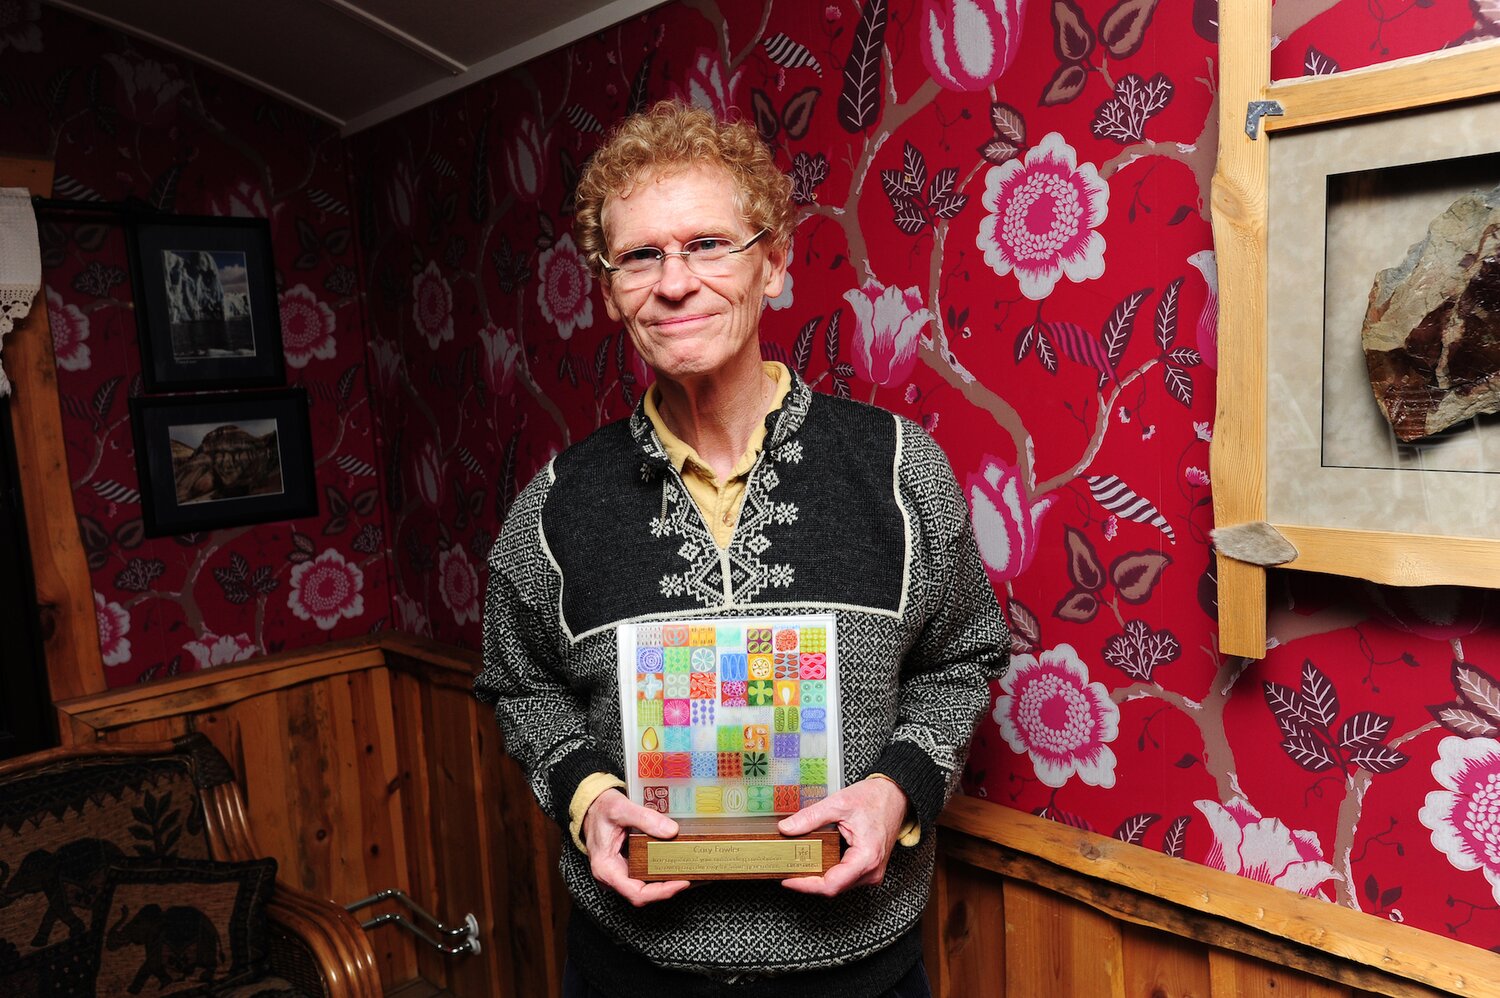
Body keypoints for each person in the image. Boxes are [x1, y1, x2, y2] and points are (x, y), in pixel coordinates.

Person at [475, 99, 1009, 998]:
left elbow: (961, 656)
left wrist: (897, 793)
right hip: (633, 973)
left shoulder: (898, 469)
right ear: (610, 291)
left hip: (858, 973)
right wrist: (588, 800)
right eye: (641, 255)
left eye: (708, 245)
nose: (674, 282)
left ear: (776, 262)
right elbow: (518, 685)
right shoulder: (553, 507)